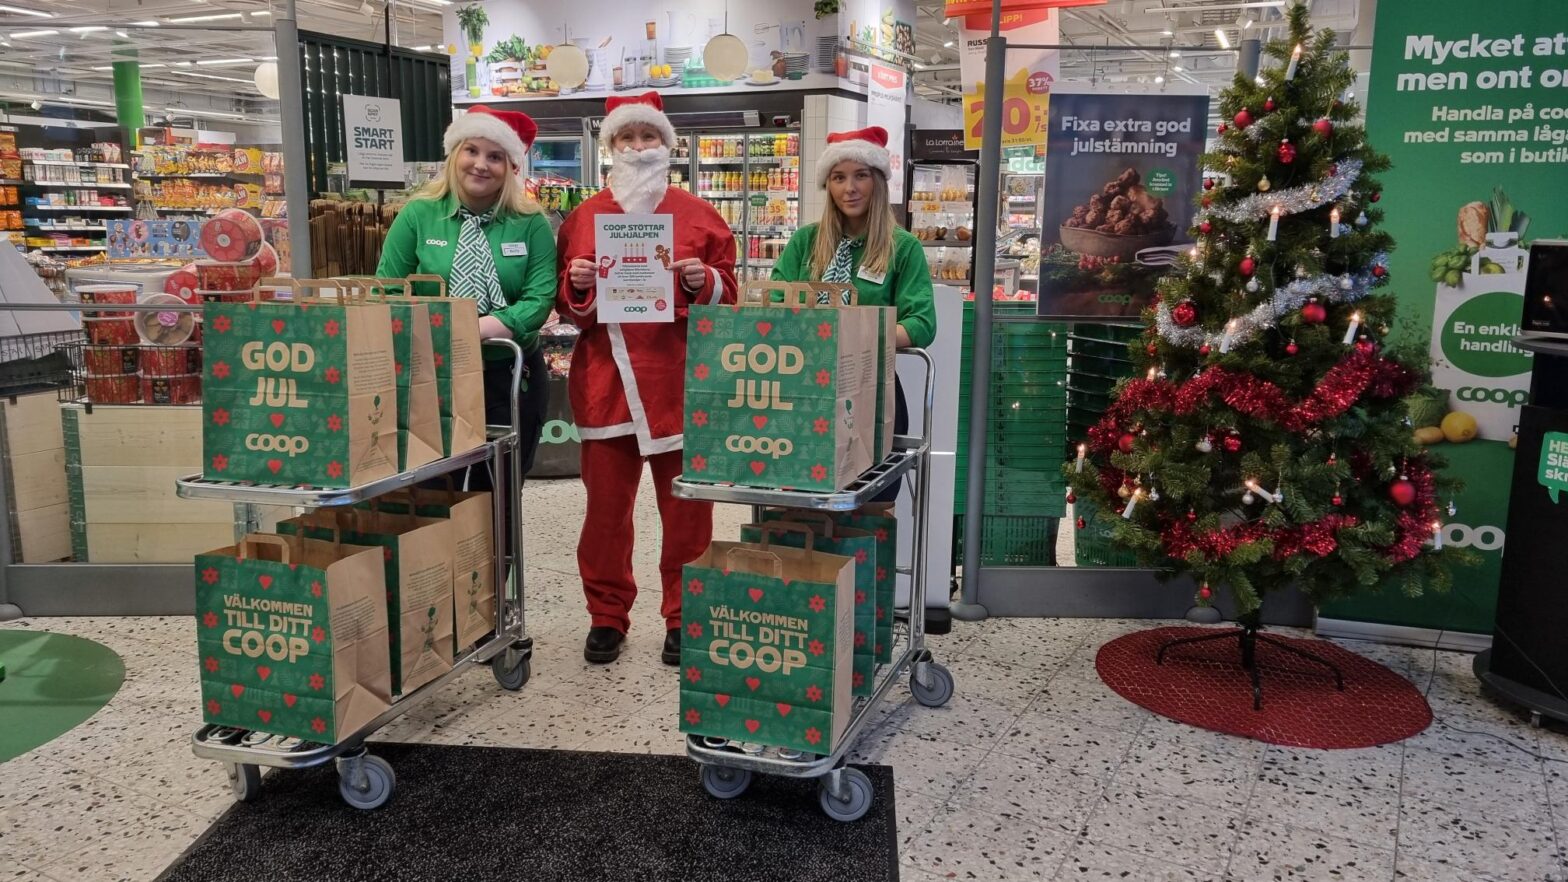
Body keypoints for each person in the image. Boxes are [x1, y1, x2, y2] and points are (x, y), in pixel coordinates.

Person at [556, 91, 737, 666]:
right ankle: (607, 614)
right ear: (610, 147)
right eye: (626, 138)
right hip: (605, 384)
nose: (638, 148)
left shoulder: (701, 215)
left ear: (668, 146)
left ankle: (685, 615)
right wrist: (580, 283)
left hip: (679, 382)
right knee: (605, 513)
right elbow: (569, 308)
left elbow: (729, 294)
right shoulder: (585, 217)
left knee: (687, 511)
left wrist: (699, 280)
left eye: (648, 137)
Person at [375, 105, 556, 522]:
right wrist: (446, 335)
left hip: (508, 378)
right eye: (471, 150)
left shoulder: (531, 223)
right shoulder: (419, 215)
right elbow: (388, 289)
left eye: (495, 156)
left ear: (510, 166)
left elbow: (538, 301)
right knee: (433, 491)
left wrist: (469, 331)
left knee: (500, 497)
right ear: (454, 153)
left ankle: (493, 579)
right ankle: (436, 579)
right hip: (432, 377)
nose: (480, 164)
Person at [771, 126, 937, 497]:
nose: (850, 188)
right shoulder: (805, 242)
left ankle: (861, 556)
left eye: (861, 175)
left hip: (872, 392)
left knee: (871, 504)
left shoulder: (902, 248)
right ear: (827, 185)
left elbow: (922, 323)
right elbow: (776, 303)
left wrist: (853, 336)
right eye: (839, 177)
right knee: (801, 501)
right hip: (802, 386)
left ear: (878, 180)